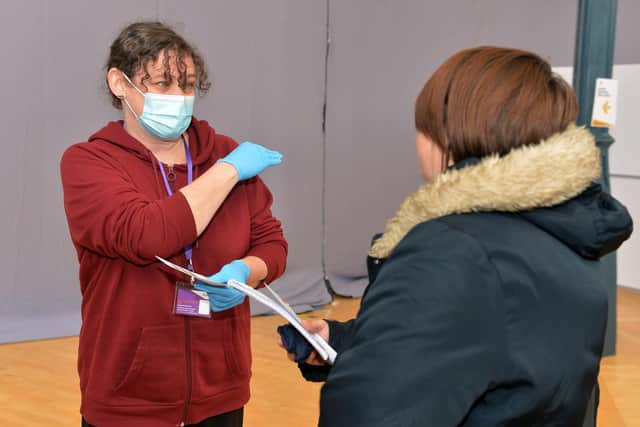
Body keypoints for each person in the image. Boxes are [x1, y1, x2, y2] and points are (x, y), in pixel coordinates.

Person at [280, 46, 633, 426]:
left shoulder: (454, 252)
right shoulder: (561, 231)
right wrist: (343, 340)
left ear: (448, 133)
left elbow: (374, 411)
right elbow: (486, 342)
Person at [61, 22, 287, 427]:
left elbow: (272, 244)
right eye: (162, 84)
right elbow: (149, 235)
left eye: (187, 86)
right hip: (128, 400)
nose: (178, 99)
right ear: (119, 83)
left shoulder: (222, 151)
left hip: (221, 388)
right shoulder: (89, 163)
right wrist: (227, 173)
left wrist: (245, 274)